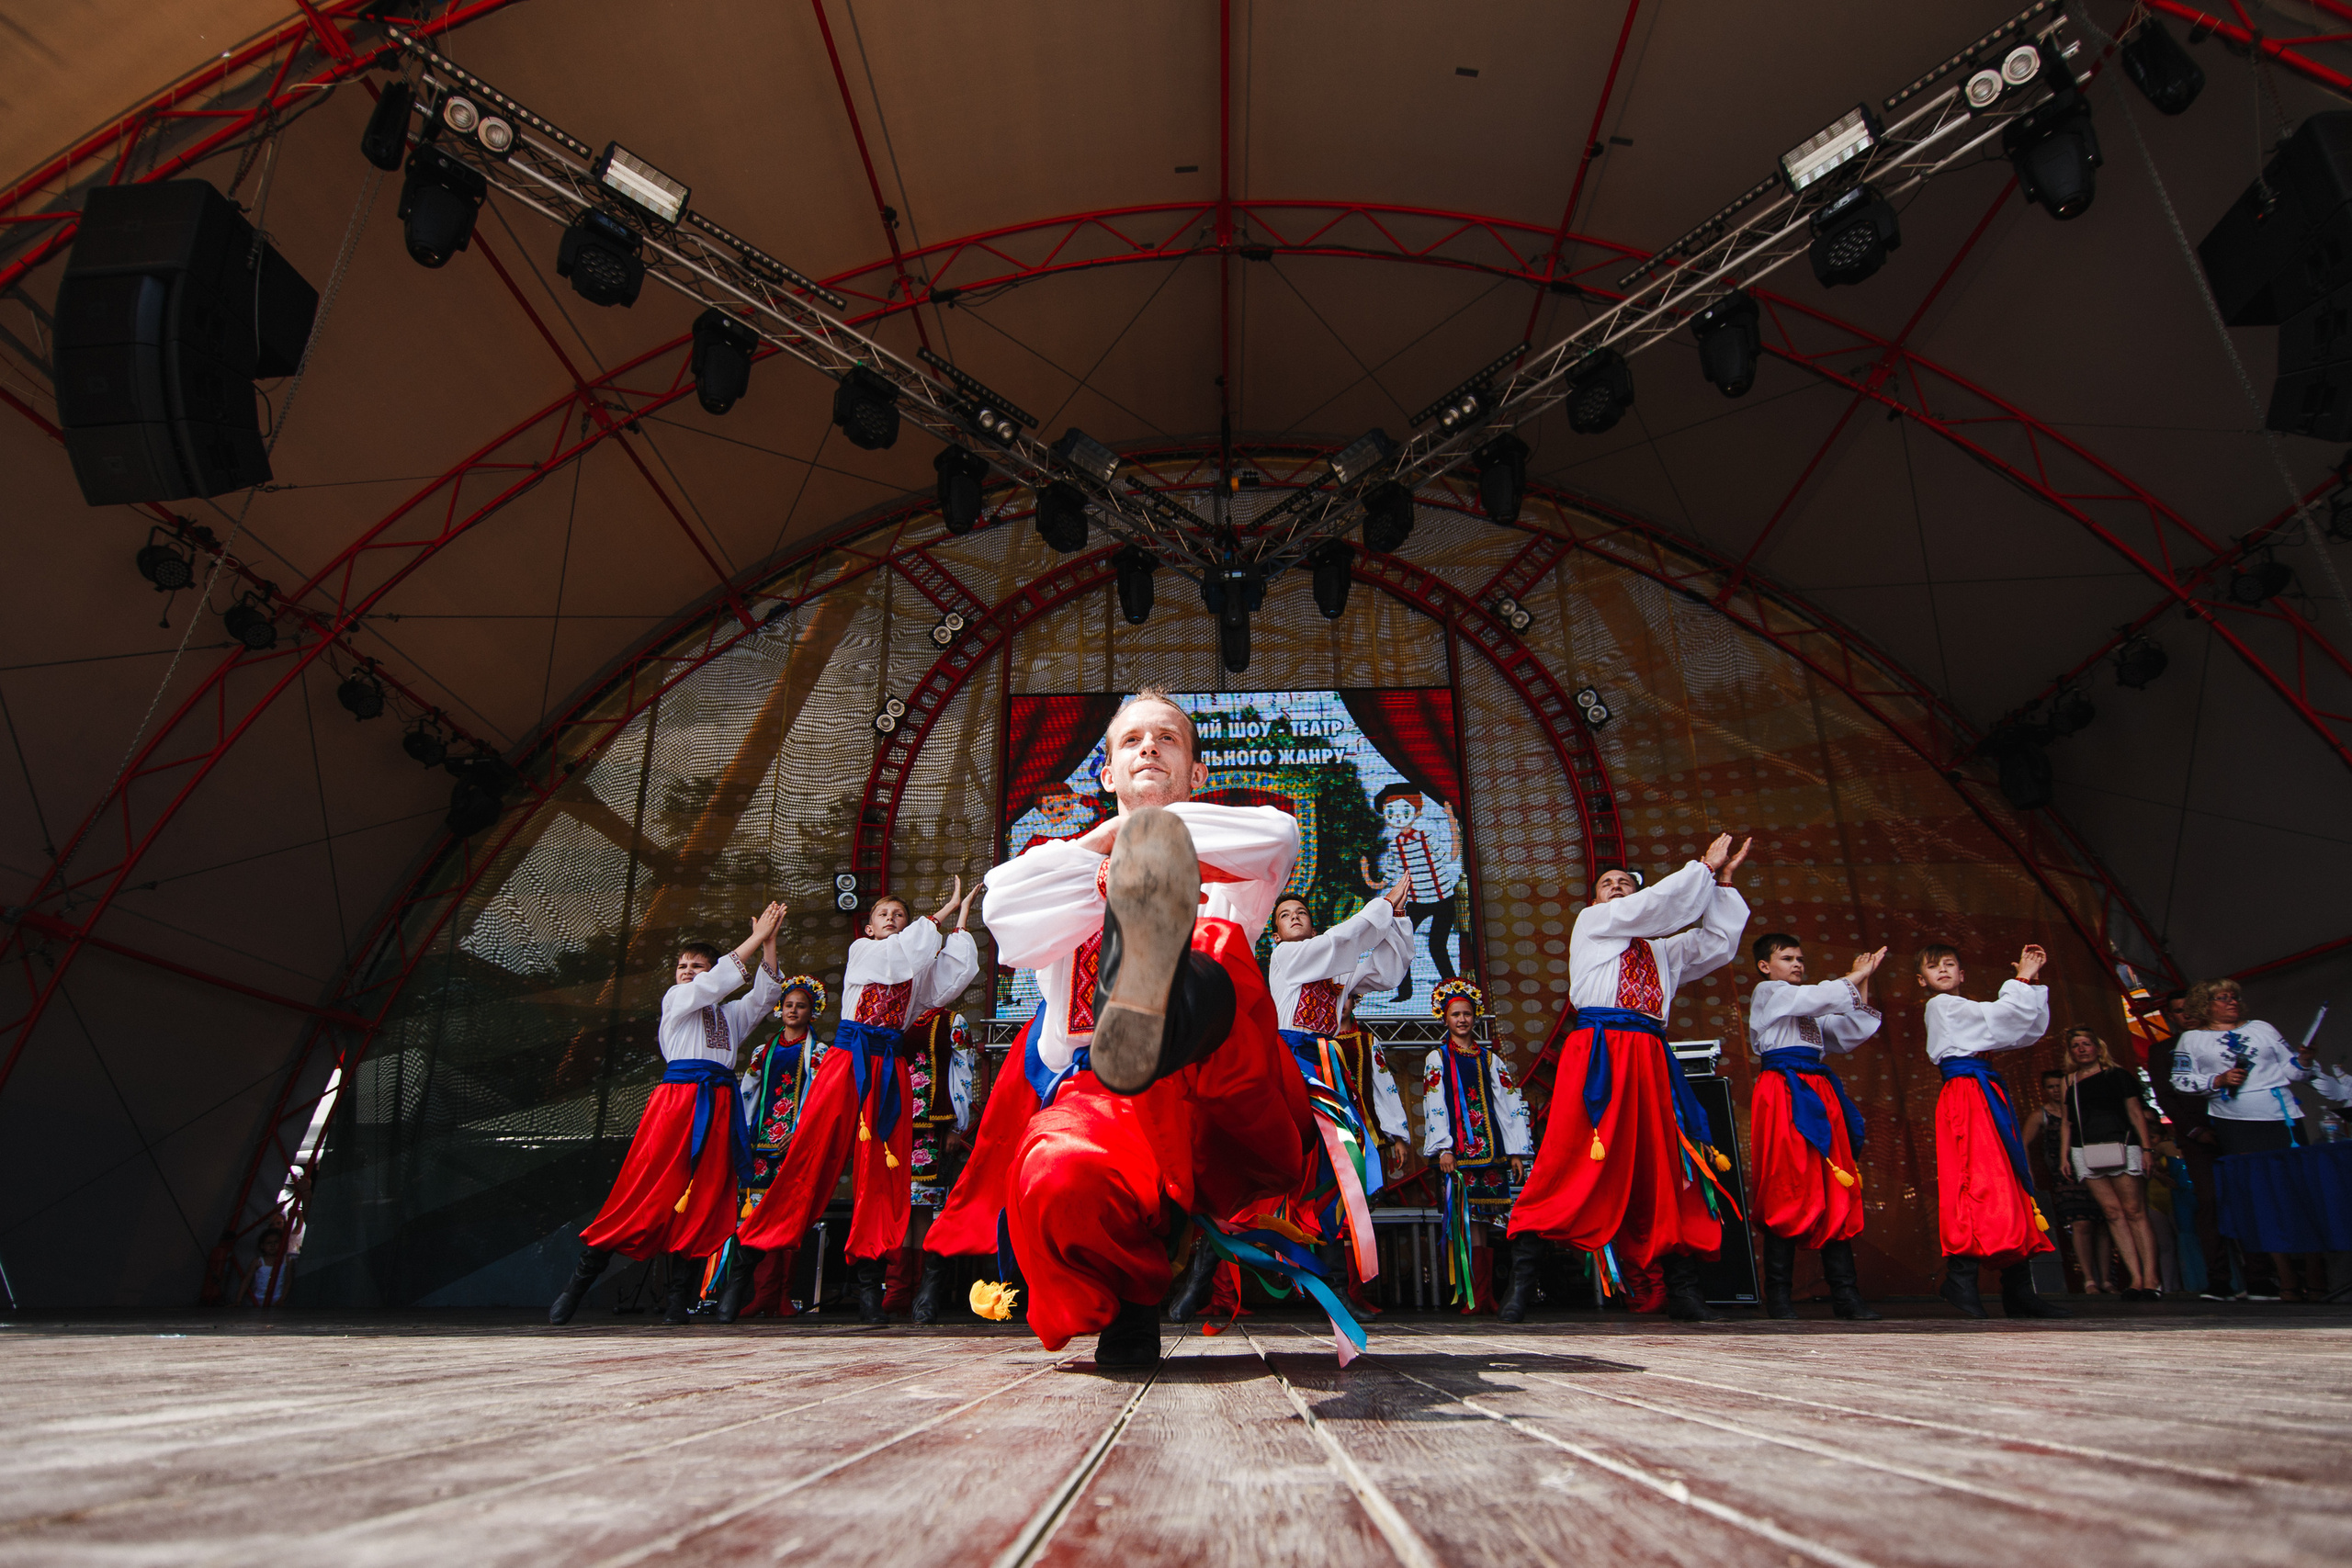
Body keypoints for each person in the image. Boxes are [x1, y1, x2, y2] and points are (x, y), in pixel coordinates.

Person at [926, 686, 1316, 1368]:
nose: (1149, 749)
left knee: (1218, 944)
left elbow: (1278, 837)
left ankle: (1162, 995)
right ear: (1105, 773)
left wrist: (1154, 838)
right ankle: (1130, 1308)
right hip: (1103, 1097)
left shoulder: (1238, 858)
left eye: (1168, 739)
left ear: (1197, 775)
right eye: (1131, 740)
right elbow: (1006, 906)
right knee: (1053, 1170)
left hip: (1218, 1099)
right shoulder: (1061, 871)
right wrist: (1110, 846)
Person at [1508, 840, 1751, 1324]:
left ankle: (1681, 1289)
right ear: (1594, 900)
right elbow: (1656, 908)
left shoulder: (1663, 948)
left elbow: (1718, 943)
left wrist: (1720, 885)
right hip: (1598, 1052)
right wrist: (1701, 867)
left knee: (1662, 1163)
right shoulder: (1593, 925)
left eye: (1627, 883)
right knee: (1569, 1157)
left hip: (1648, 1054)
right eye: (1608, 884)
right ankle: (1522, 1283)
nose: (1618, 889)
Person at [734, 882, 979, 1323]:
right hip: (849, 1060)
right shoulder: (864, 953)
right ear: (868, 927)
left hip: (887, 1066)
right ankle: (747, 1266)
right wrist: (938, 915)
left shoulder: (913, 968)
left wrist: (960, 919)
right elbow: (899, 957)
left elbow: (948, 976)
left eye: (900, 915)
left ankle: (871, 1287)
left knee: (882, 1176)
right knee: (809, 1155)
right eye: (884, 914)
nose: (892, 919)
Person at [549, 903, 787, 1326]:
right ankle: (578, 1284)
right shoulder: (677, 999)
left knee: (705, 1198)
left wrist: (768, 943)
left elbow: (764, 997)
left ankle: (680, 1300)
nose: (687, 971)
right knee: (646, 1187)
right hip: (677, 1103)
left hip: (716, 1106)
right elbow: (710, 987)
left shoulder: (727, 1016)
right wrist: (752, 940)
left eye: (697, 965)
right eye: (682, 965)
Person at [1212, 880, 1414, 1318]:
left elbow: (1387, 970)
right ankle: (1211, 1271)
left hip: (1324, 1070)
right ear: (1276, 935)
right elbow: (1342, 941)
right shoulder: (1288, 958)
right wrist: (1381, 906)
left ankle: (1339, 1288)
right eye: (1286, 915)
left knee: (1338, 1175)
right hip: (1289, 1067)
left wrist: (1396, 922)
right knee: (1266, 1170)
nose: (1296, 916)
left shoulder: (1334, 970)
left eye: (1301, 911)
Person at [1919, 940, 2065, 1319]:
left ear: (1962, 974)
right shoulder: (1942, 1006)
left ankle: (2017, 1289)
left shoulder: (1967, 1008)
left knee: (2005, 1180)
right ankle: (1961, 1278)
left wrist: (2027, 985)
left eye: (1950, 964)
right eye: (1934, 968)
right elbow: (2002, 1017)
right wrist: (2022, 979)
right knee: (1978, 1180)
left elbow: (2018, 1030)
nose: (1944, 971)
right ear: (1923, 981)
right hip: (1967, 1097)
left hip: (1983, 1094)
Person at [1744, 933, 1886, 1321]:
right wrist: (1854, 976)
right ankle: (1780, 1298)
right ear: (1764, 966)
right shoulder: (1768, 993)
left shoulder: (1808, 1004)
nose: (1797, 965)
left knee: (1833, 1183)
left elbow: (1847, 1031)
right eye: (1787, 958)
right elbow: (1817, 998)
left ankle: (1846, 1294)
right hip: (1785, 1092)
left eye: (1800, 959)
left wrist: (1864, 978)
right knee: (1787, 1185)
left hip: (1818, 1090)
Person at [2171, 976, 2321, 1301]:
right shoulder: (2192, 1040)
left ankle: (2316, 1278)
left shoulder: (2262, 1028)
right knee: (2264, 1200)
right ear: (2205, 1005)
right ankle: (2285, 1281)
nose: (2231, 1001)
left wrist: (2305, 1061)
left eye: (2234, 996)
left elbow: (2294, 1071)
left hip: (2284, 1119)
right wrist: (2219, 1078)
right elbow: (2181, 1081)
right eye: (2222, 998)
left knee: (2300, 1194)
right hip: (2237, 1125)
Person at [705, 976, 828, 1320]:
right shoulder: (764, 1050)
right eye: (788, 1004)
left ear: (812, 1012)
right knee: (756, 1217)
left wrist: (801, 1129)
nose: (793, 1010)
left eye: (801, 1006)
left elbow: (819, 1097)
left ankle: (783, 1294)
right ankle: (762, 1293)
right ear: (779, 1008)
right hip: (762, 1144)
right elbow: (748, 1092)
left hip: (794, 1144)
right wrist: (742, 1133)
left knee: (788, 1220)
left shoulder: (818, 1053)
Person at [1419, 979, 1532, 1314]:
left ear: (1476, 1017)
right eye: (1456, 1014)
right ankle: (1473, 1295)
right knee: (1466, 1223)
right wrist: (1444, 1148)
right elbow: (1434, 1103)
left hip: (1492, 1152)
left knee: (1486, 1221)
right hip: (1460, 1155)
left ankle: (1486, 1296)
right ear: (1445, 1018)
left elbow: (1508, 1105)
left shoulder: (1490, 1059)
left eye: (1467, 1014)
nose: (1462, 1020)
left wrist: (1514, 1151)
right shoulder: (1437, 1058)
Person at [2057, 1027, 2163, 1300]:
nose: (2081, 1049)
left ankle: (2152, 1279)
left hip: (2121, 1143)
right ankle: (2135, 1279)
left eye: (2086, 1044)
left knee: (2134, 1211)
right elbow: (2067, 1121)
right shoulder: (2069, 1081)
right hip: (2085, 1148)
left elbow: (2135, 1112)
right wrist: (2064, 1156)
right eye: (2075, 1045)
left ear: (2097, 1047)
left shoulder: (2118, 1075)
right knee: (2113, 1213)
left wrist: (2147, 1148)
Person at [901, 1010, 979, 1322]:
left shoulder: (953, 1020)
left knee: (923, 1206)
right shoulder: (902, 1016)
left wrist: (957, 1126)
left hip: (934, 1126)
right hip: (896, 1126)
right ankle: (897, 1289)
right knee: (898, 1207)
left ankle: (923, 1291)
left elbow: (963, 1071)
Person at [2022, 1067, 2109, 1294]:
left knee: (2103, 1222)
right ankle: (2089, 1279)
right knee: (2081, 1222)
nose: (2055, 1091)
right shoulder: (2040, 1114)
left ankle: (2107, 1279)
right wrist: (2028, 1171)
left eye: (2059, 1087)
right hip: (2066, 1173)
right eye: (2050, 1087)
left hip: (2093, 1166)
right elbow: (2022, 1143)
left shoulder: (2082, 1110)